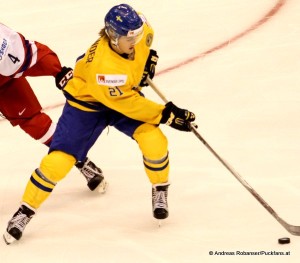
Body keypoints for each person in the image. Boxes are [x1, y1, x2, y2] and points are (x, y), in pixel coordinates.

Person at [3, 3, 195, 244]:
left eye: (137, 34)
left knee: (154, 141)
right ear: (113, 37)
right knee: (57, 163)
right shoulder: (104, 70)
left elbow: (145, 42)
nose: (135, 40)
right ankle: (25, 210)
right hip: (87, 107)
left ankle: (160, 188)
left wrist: (147, 61)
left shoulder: (141, 31)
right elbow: (128, 105)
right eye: (129, 37)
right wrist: (167, 115)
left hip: (120, 96)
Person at [0, 22, 107, 192]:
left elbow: (35, 55)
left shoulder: (5, 44)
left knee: (35, 123)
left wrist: (58, 71)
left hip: (4, 81)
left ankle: (78, 159)